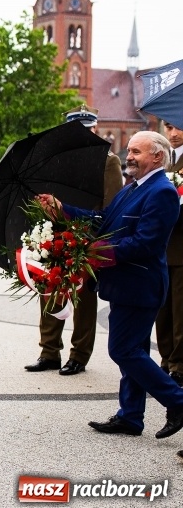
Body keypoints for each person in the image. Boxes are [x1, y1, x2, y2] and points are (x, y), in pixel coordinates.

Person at [37, 131, 183, 446]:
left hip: (141, 286)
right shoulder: (133, 189)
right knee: (136, 350)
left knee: (123, 350)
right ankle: (131, 416)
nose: (129, 156)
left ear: (157, 156)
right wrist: (63, 209)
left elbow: (147, 243)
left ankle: (178, 401)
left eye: (136, 151)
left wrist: (97, 253)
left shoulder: (162, 192)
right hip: (125, 287)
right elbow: (103, 221)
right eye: (128, 150)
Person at [25, 105, 124, 375]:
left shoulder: (109, 161)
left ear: (95, 130)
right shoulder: (55, 160)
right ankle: (49, 352)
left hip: (86, 237)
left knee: (82, 300)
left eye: (87, 130)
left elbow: (112, 207)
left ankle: (79, 355)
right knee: (48, 292)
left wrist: (95, 240)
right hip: (54, 233)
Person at [156, 121, 183, 385]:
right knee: (162, 310)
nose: (173, 134)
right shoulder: (163, 159)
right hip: (161, 247)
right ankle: (165, 360)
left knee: (180, 311)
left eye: (178, 127)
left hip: (181, 248)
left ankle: (179, 365)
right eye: (168, 127)